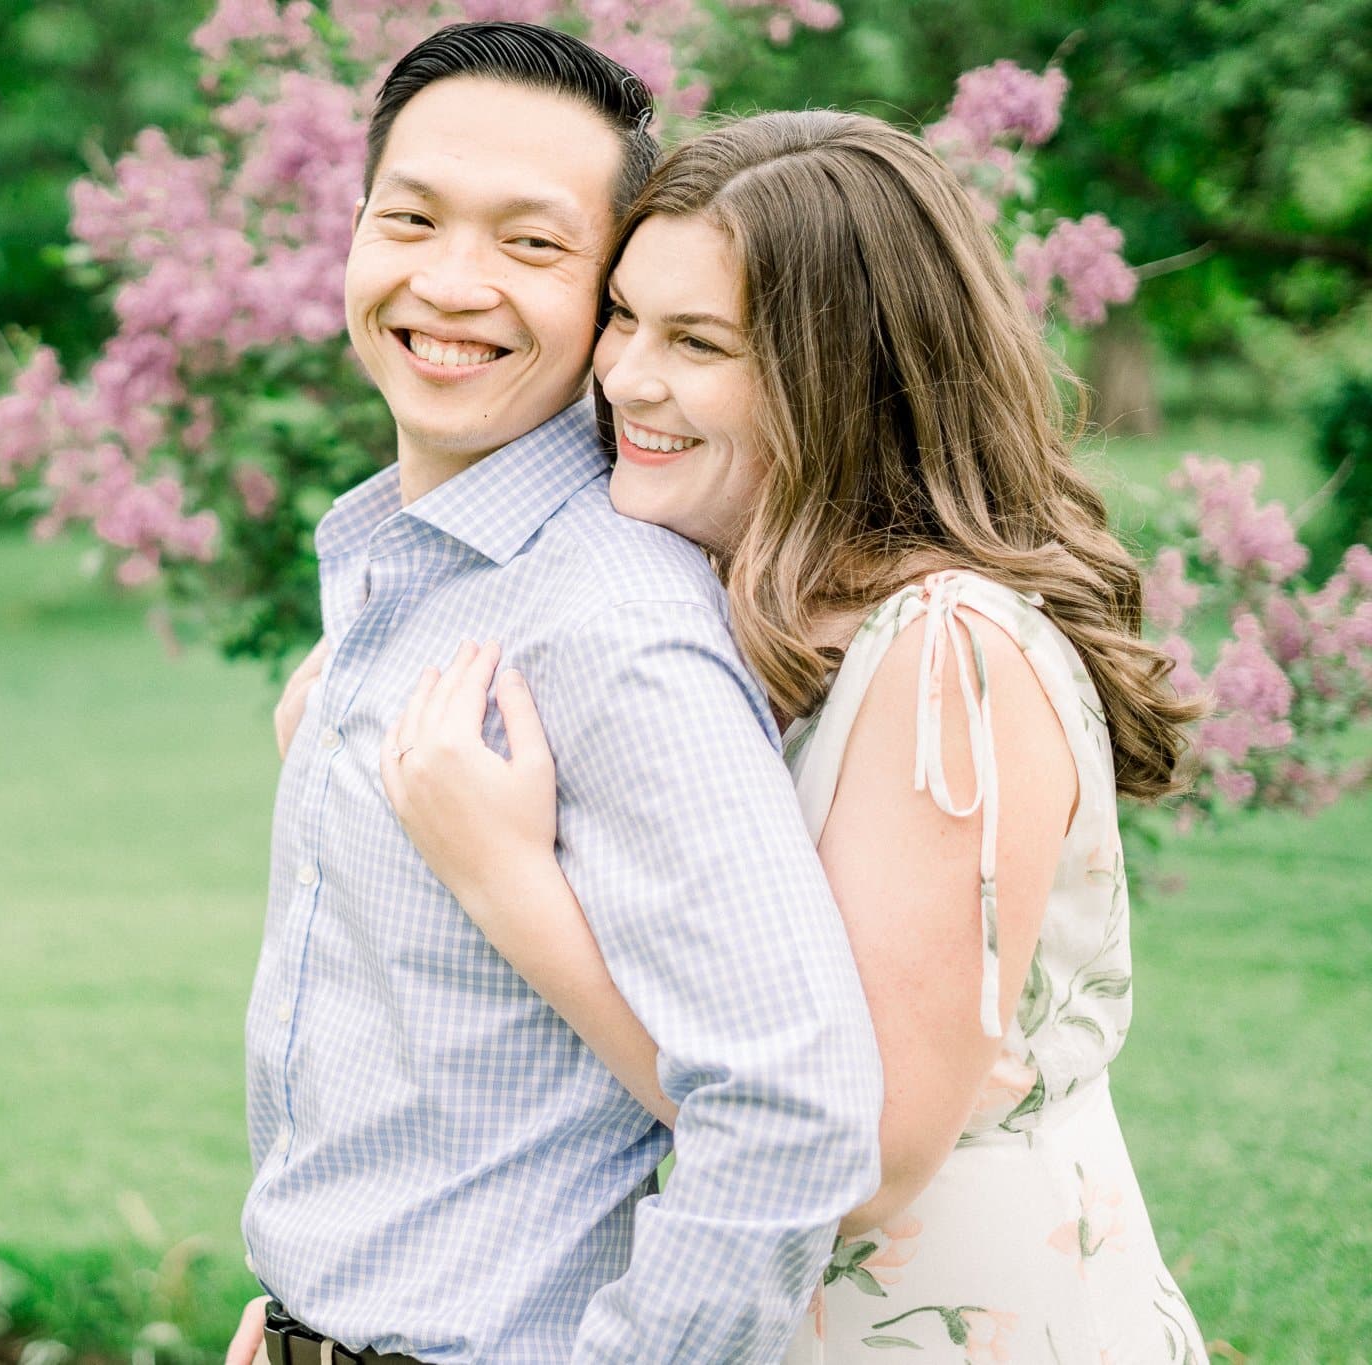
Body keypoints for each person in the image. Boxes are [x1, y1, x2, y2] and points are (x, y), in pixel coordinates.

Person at [373, 112, 1211, 1361]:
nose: (624, 379)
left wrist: (509, 883)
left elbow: (856, 1155)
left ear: (844, 373)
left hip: (944, 1324)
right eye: (623, 317)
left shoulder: (945, 651)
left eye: (696, 342)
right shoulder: (728, 600)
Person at [230, 22, 883, 1365]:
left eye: (532, 245)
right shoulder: (407, 569)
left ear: (608, 301)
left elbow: (791, 1110)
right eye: (408, 219)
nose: (451, 282)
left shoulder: (605, 622)